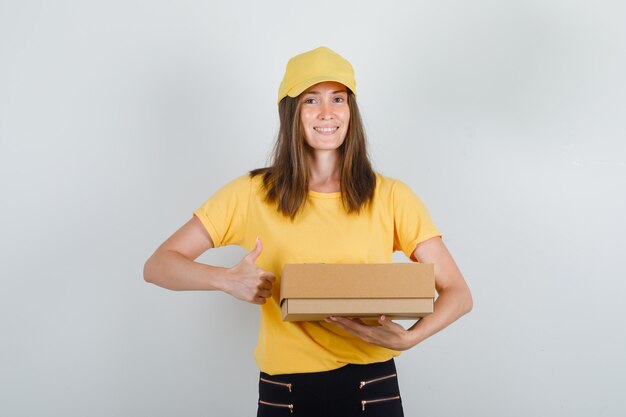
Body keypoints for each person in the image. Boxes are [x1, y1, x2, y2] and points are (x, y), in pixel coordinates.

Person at [144, 46, 472, 417]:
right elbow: (158, 265)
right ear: (291, 111)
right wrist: (226, 280)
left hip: (373, 387)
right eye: (311, 100)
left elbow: (458, 293)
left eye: (338, 99)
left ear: (352, 111)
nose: (327, 113)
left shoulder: (391, 195)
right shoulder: (252, 193)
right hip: (285, 393)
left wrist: (411, 337)